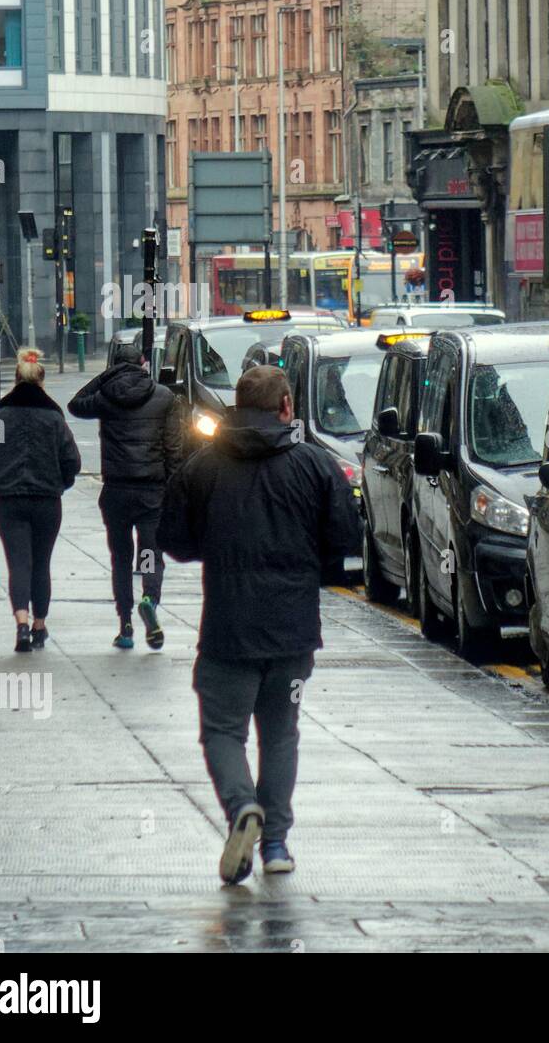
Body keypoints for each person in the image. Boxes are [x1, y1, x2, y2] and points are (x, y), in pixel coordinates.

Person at [159, 365, 358, 885]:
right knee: (281, 733)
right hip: (292, 632)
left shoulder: (203, 468)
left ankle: (242, 807)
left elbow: (174, 541)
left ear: (234, 407)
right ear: (287, 406)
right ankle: (274, 844)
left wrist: (218, 542)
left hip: (227, 628)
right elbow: (345, 540)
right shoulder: (316, 466)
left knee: (222, 731)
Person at [69, 343, 183, 650]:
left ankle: (126, 625)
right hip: (151, 491)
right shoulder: (164, 397)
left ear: (115, 366)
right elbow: (174, 451)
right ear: (144, 363)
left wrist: (107, 377)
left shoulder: (106, 397)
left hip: (116, 491)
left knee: (120, 558)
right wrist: (172, 492)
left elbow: (75, 404)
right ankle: (149, 597)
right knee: (148, 553)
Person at [0, 349, 81, 652]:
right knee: (41, 564)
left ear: (15, 379)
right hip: (47, 501)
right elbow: (72, 460)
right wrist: (60, 483)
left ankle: (20, 622)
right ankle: (39, 625)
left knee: (18, 563)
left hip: (10, 501)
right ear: (42, 381)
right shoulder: (54, 420)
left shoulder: (1, 418)